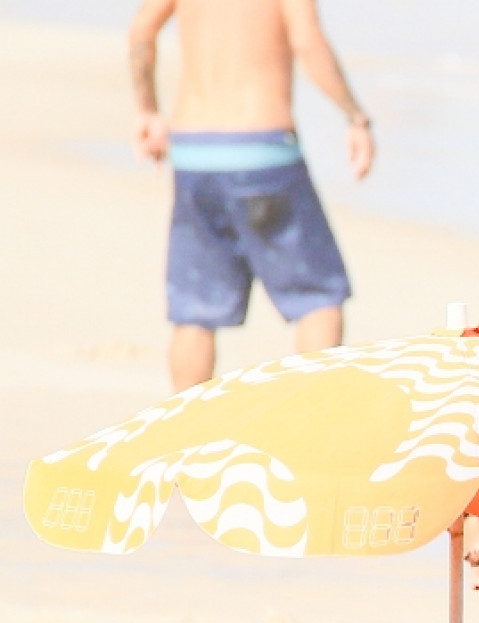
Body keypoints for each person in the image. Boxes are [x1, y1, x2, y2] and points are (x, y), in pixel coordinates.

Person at [128, 0, 373, 391]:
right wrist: (355, 116)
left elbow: (142, 31)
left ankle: (186, 434)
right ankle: (310, 414)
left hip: (194, 152)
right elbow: (307, 41)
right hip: (263, 149)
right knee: (317, 298)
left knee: (195, 311)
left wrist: (147, 109)